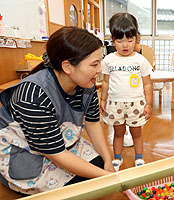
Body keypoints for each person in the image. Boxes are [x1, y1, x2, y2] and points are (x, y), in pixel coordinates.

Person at [0, 26, 114, 195]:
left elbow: (92, 122)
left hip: (56, 140)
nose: (100, 71)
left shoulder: (86, 84)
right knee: (81, 187)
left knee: (97, 168)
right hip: (24, 149)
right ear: (67, 67)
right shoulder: (32, 95)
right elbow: (57, 153)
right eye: (94, 64)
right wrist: (109, 178)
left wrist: (108, 161)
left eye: (100, 62)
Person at [100, 13, 153, 171]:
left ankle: (139, 157)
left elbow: (147, 84)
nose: (125, 45)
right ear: (112, 38)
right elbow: (106, 82)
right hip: (115, 103)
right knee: (118, 133)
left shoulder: (140, 60)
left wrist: (149, 104)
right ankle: (117, 158)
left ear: (136, 38)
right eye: (120, 40)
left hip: (136, 103)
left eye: (129, 40)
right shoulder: (108, 60)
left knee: (137, 133)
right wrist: (103, 100)